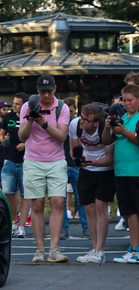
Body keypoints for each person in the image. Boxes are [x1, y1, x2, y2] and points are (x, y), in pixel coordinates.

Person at [18, 74, 70, 263]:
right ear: (37, 91)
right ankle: (40, 249)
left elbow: (62, 137)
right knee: (37, 204)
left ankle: (54, 248)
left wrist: (43, 122)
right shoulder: (27, 106)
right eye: (42, 92)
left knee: (57, 201)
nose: (46, 96)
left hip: (56, 160)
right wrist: (31, 120)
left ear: (55, 90)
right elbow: (22, 137)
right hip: (33, 160)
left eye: (49, 91)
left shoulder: (62, 108)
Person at [69, 103, 115, 264]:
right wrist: (79, 161)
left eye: (86, 120)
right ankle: (94, 248)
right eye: (81, 117)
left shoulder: (104, 127)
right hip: (87, 168)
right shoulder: (75, 124)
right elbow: (73, 149)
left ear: (96, 122)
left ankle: (100, 250)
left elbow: (110, 158)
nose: (82, 122)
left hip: (105, 169)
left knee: (101, 205)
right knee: (88, 208)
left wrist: (91, 163)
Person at [103, 84, 139, 263]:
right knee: (129, 213)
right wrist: (107, 126)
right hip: (121, 171)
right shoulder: (121, 116)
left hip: (136, 171)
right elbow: (106, 140)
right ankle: (133, 249)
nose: (126, 104)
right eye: (124, 100)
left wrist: (124, 131)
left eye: (130, 100)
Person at [0, 92, 30, 238]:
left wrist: (26, 144)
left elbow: (37, 137)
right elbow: (1, 135)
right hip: (9, 159)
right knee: (8, 193)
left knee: (26, 195)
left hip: (26, 161)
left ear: (25, 105)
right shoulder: (8, 117)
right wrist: (3, 139)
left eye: (17, 103)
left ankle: (22, 226)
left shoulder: (30, 117)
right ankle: (13, 222)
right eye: (14, 103)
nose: (14, 106)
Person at [61, 97, 89, 240]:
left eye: (71, 111)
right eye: (67, 111)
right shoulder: (61, 123)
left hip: (74, 164)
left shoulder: (79, 123)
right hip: (62, 163)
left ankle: (86, 228)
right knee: (61, 199)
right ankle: (64, 229)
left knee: (81, 198)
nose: (69, 114)